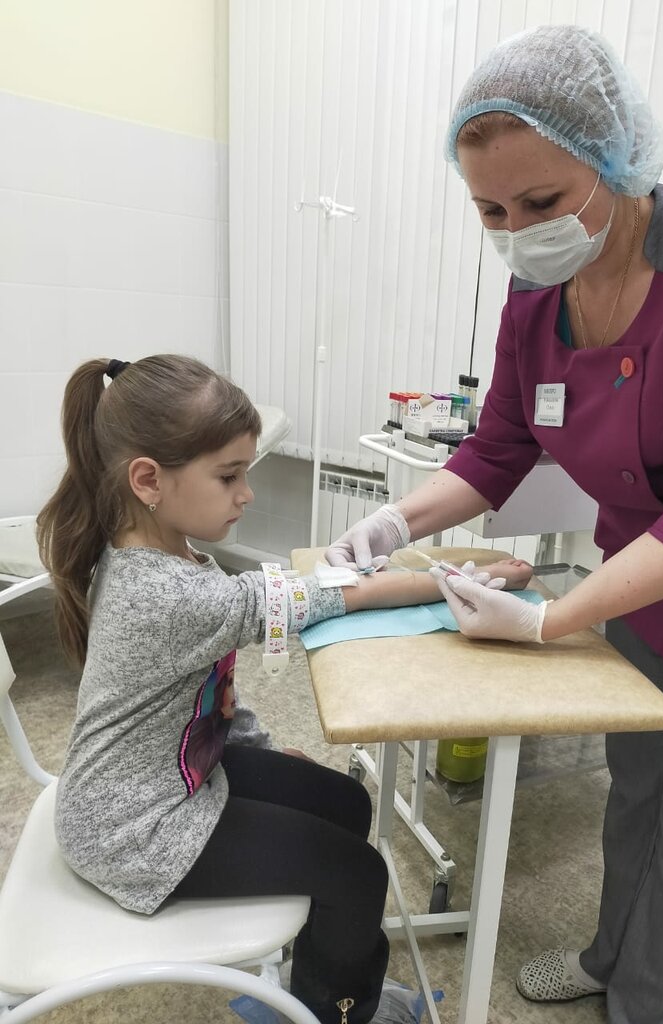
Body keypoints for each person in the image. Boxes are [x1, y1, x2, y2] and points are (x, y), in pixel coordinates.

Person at [326, 22, 663, 1024]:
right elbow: (500, 447)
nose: (517, 231)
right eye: (490, 209)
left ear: (616, 161)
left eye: (541, 201)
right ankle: (617, 959)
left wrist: (546, 622)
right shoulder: (537, 288)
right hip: (641, 572)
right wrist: (393, 522)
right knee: (638, 786)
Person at [37, 353, 531, 1024]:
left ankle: (318, 974)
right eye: (229, 476)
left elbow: (203, 691)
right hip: (136, 831)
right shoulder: (171, 594)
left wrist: (260, 750)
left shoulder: (164, 552)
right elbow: (332, 596)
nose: (246, 495)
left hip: (162, 778)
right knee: (358, 874)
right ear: (148, 480)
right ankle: (338, 1010)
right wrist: (460, 578)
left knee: (345, 801)